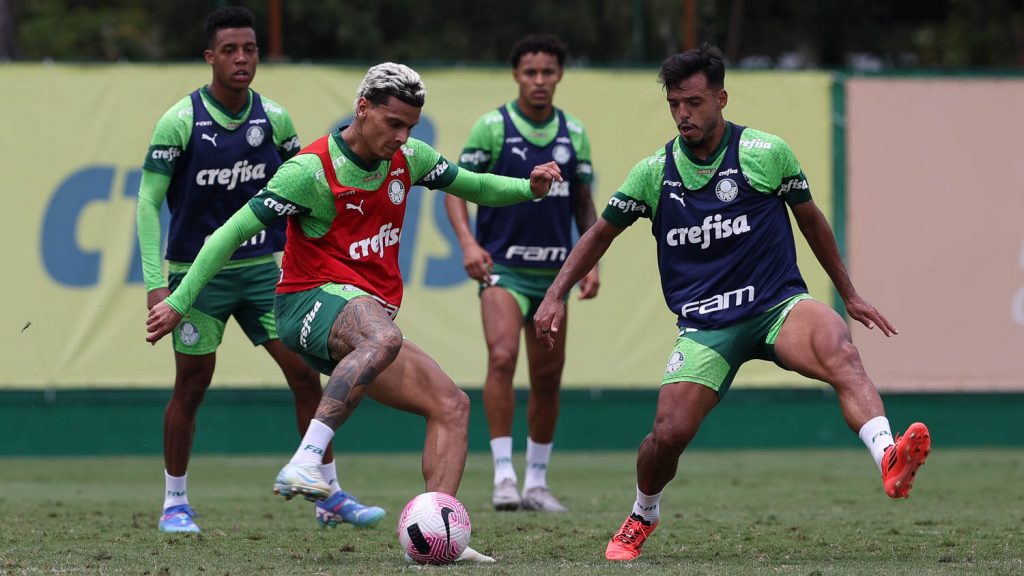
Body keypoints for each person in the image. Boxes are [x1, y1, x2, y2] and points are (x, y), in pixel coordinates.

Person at [145, 62, 562, 562]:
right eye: (394, 123)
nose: (403, 136)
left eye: (411, 126)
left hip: (366, 318)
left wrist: (528, 189)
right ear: (362, 108)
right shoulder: (309, 169)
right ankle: (305, 461)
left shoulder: (409, 158)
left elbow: (474, 185)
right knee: (381, 336)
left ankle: (437, 537)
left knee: (451, 406)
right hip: (305, 304)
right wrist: (176, 299)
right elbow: (228, 234)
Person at [532, 44, 932, 561]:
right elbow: (599, 235)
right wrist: (554, 293)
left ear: (721, 98)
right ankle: (642, 513)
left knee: (838, 343)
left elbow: (811, 221)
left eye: (693, 102)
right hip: (705, 325)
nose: (683, 114)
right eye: (675, 104)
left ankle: (888, 456)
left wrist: (848, 292)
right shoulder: (654, 172)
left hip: (776, 306)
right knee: (667, 435)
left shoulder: (765, 153)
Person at [137, 6, 382, 534]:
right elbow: (147, 202)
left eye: (249, 48)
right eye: (230, 50)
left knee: (304, 374)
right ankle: (174, 502)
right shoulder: (181, 121)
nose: (242, 58)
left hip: (264, 272)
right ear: (210, 58)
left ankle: (327, 494)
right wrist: (157, 283)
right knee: (193, 384)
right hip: (196, 275)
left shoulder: (274, 119)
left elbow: (310, 188)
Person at [444, 34, 599, 513]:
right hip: (503, 270)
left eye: (547, 72)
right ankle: (503, 476)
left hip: (553, 276)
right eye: (530, 72)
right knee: (503, 356)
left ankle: (536, 481)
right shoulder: (492, 127)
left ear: (559, 76)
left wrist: (589, 263)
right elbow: (454, 190)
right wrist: (468, 244)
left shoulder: (573, 133)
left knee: (548, 376)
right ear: (516, 76)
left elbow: (583, 203)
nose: (539, 81)